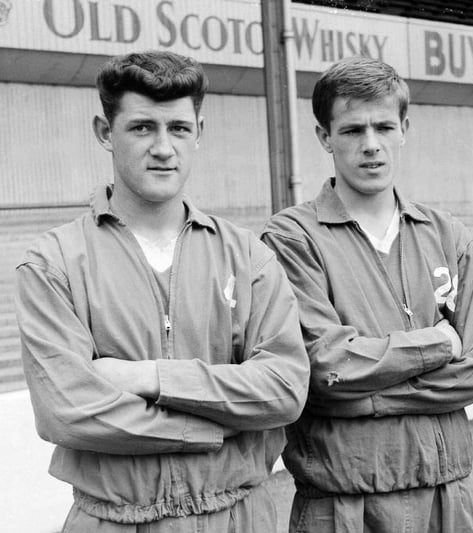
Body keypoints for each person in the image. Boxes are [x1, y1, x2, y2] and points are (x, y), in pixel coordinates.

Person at [15, 50, 310, 532]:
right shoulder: (53, 263)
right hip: (113, 521)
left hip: (238, 517)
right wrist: (217, 425)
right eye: (142, 128)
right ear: (105, 132)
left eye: (178, 128)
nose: (163, 147)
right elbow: (68, 411)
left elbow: (284, 390)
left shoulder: (248, 256)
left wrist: (150, 377)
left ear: (200, 132)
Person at [261, 56, 473, 532]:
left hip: (448, 498)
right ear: (324, 137)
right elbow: (327, 369)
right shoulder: (292, 238)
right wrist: (439, 344)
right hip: (343, 506)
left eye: (383, 127)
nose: (370, 146)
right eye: (352, 131)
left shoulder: (447, 234)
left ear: (404, 129)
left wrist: (364, 391)